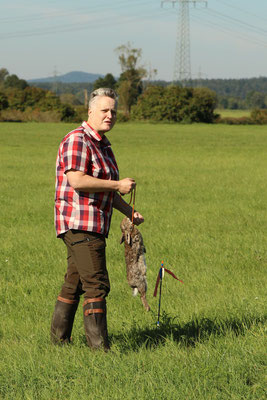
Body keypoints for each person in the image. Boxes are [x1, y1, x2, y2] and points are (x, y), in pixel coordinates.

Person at [50, 88, 144, 350]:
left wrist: (129, 212)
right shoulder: (77, 140)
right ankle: (100, 351)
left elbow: (104, 187)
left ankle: (59, 343)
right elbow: (77, 180)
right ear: (90, 111)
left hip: (94, 223)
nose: (110, 115)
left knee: (75, 281)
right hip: (80, 223)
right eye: (104, 110)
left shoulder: (102, 144)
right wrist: (116, 184)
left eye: (113, 111)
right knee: (97, 284)